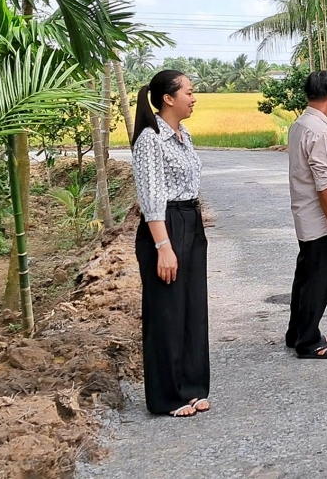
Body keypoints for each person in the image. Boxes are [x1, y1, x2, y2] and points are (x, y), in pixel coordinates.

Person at [130, 70, 210, 417]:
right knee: (166, 312)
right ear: (168, 98)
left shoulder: (184, 134)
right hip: (165, 225)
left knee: (192, 308)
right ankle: (167, 396)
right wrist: (163, 246)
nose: (194, 98)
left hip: (190, 221)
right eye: (189, 92)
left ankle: (192, 386)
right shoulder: (151, 139)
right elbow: (150, 197)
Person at [285, 70, 327, 359]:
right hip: (320, 219)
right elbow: (324, 183)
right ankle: (308, 341)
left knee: (306, 276)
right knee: (317, 280)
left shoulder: (301, 124)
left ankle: (297, 331)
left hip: (306, 216)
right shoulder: (320, 131)